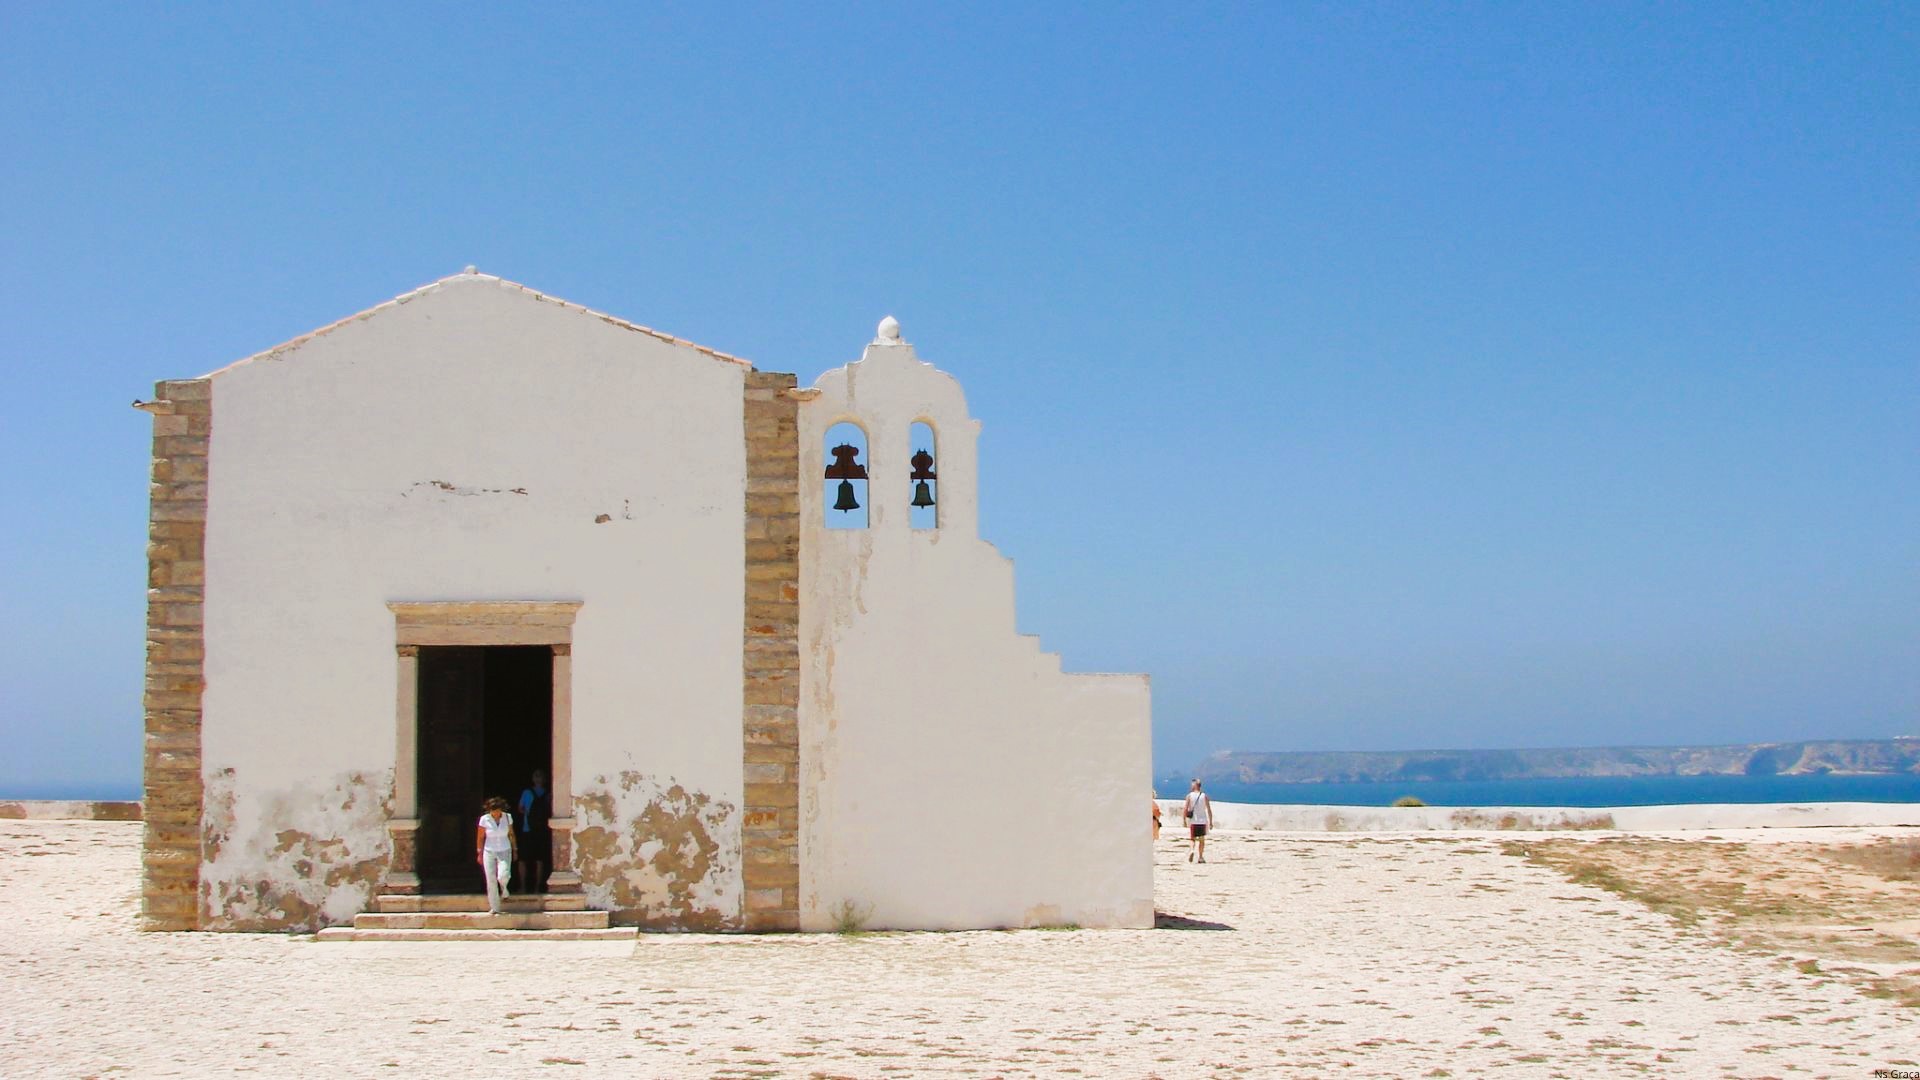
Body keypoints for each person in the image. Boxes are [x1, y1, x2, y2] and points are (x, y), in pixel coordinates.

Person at [476, 796, 517, 914]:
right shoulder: (484, 819)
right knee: (490, 879)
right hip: (489, 850)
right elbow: (480, 837)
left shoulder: (507, 817)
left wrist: (515, 849)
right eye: (492, 811)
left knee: (503, 875)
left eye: (497, 810)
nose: (495, 813)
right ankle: (495, 907)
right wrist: (479, 852)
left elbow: (511, 834)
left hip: (504, 849)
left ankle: (504, 889)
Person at [517, 768, 552, 895]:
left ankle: (524, 886)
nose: (538, 778)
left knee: (524, 859)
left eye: (539, 776)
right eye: (536, 776)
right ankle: (536, 887)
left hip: (529, 829)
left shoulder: (527, 793)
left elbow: (520, 808)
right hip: (541, 830)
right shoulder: (548, 794)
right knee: (539, 859)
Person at [1182, 779, 1212, 863]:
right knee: (1202, 840)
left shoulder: (1189, 796)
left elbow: (1185, 808)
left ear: (1195, 785)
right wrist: (1211, 821)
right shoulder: (1204, 796)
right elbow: (1209, 810)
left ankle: (1192, 850)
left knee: (1192, 838)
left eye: (1192, 784)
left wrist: (1184, 819)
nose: (1191, 786)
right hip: (1202, 821)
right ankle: (1201, 857)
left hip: (1193, 821)